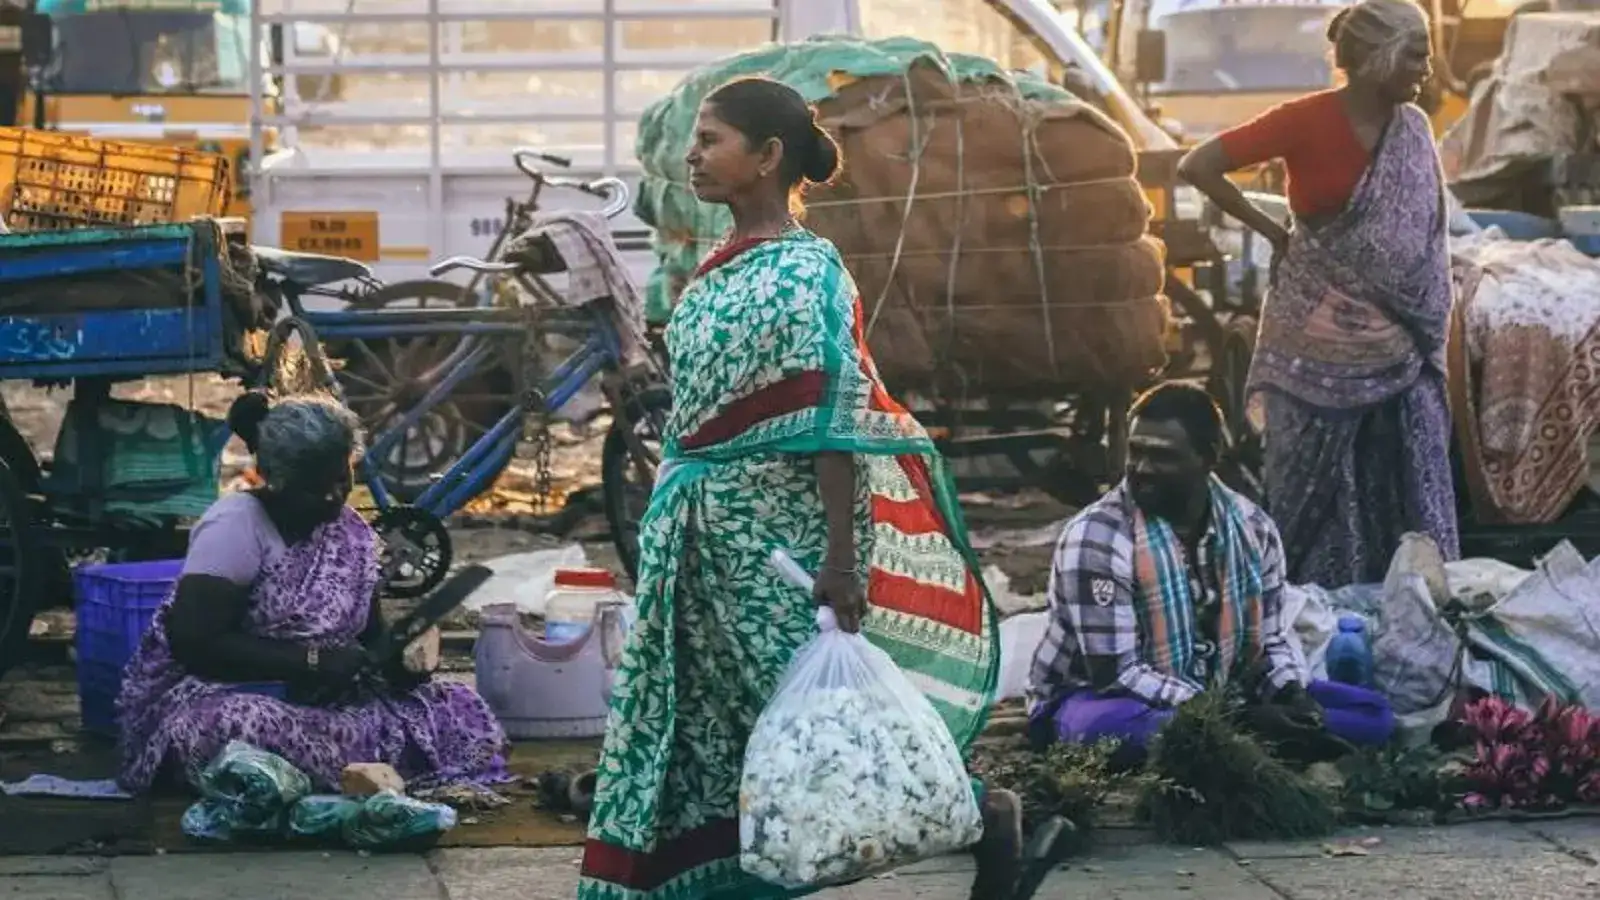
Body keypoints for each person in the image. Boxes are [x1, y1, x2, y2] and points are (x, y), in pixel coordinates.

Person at [576, 77, 1029, 900]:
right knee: (708, 725)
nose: (693, 154)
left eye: (712, 139)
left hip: (780, 549)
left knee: (819, 719)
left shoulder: (808, 274)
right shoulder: (714, 271)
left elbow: (833, 422)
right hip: (702, 541)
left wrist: (844, 562)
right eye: (696, 139)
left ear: (767, 156)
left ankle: (981, 814)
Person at [1176, 0, 1458, 587]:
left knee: (1397, 471)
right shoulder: (1303, 120)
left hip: (1401, 340)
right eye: (1415, 57)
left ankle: (1411, 603)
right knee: (1315, 479)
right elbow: (1198, 166)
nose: (1425, 72)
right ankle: (1310, 602)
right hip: (1314, 333)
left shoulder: (1414, 130)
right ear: (1376, 56)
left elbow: (1426, 234)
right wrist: (1271, 229)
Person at [116, 393, 507, 792]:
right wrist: (311, 660)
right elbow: (195, 643)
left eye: (341, 480)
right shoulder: (234, 525)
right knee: (231, 726)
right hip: (227, 694)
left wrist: (398, 666)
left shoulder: (351, 532)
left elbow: (368, 634)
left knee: (457, 704)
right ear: (275, 479)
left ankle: (333, 772)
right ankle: (341, 769)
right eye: (313, 488)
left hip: (326, 703)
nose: (332, 497)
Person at [1027, 383, 1396, 762]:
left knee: (1375, 715)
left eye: (1162, 456)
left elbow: (1269, 641)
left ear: (1208, 457)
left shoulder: (1253, 528)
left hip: (1219, 691)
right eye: (1135, 452)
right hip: (1097, 699)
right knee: (1113, 730)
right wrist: (1243, 719)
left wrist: (1291, 694)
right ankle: (1251, 739)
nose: (1142, 469)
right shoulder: (1097, 536)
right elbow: (1117, 675)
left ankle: (1246, 739)